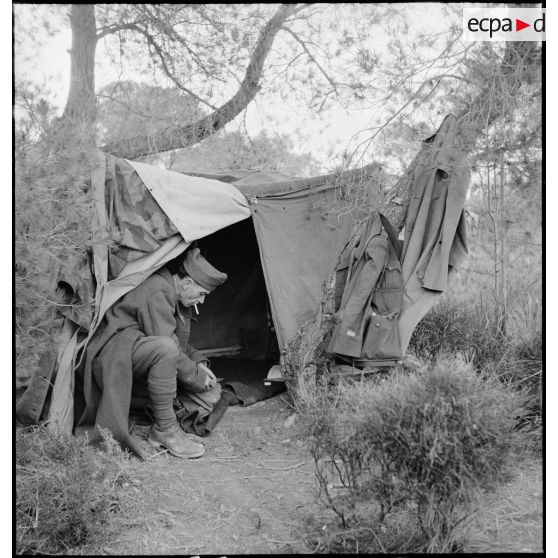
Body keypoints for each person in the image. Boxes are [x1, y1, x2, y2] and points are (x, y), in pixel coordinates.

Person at [77, 247, 227, 459]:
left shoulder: (173, 293)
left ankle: (156, 413)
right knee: (165, 350)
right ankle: (165, 429)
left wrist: (199, 364)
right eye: (202, 294)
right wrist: (195, 376)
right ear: (186, 284)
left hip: (132, 352)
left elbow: (179, 343)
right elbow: (169, 348)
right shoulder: (159, 289)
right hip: (113, 352)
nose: (201, 301)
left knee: (212, 393)